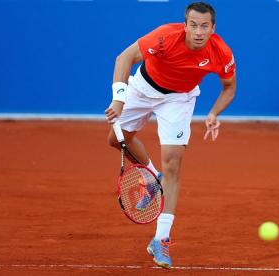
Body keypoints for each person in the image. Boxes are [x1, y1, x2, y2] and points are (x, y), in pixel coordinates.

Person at [105, 2, 236, 269]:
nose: (199, 31)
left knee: (174, 164)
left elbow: (229, 87)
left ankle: (161, 239)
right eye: (194, 25)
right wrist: (118, 99)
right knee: (116, 139)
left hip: (178, 100)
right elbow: (124, 58)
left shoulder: (220, 52)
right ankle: (153, 180)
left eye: (205, 26)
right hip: (141, 89)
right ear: (185, 25)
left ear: (213, 28)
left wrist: (213, 114)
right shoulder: (165, 36)